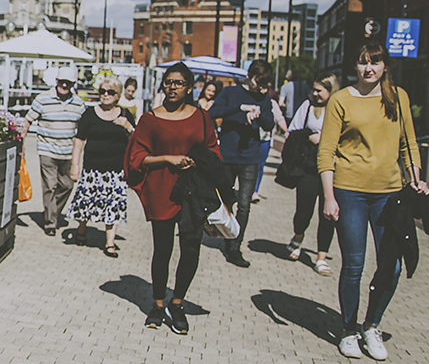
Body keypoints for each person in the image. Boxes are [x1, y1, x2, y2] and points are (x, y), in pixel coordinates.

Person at [318, 42, 426, 361]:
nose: (369, 68)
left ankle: (372, 325)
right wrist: (329, 196)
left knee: (391, 266)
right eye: (364, 62)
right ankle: (349, 329)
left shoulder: (398, 97)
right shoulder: (341, 100)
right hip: (349, 190)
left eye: (375, 63)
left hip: (389, 194)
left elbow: (409, 144)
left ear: (384, 67)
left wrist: (416, 178)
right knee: (354, 264)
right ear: (355, 65)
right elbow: (326, 151)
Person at [126, 63, 221, 334]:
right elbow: (136, 157)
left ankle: (176, 303)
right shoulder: (150, 119)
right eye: (168, 82)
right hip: (162, 190)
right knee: (162, 249)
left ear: (190, 88)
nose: (172, 86)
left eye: (178, 83)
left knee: (191, 247)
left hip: (194, 192)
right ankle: (157, 303)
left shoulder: (202, 117)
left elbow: (213, 150)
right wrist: (167, 158)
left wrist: (200, 162)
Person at [208, 60, 274, 268]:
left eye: (266, 84)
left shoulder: (263, 98)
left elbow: (270, 124)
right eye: (259, 82)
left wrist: (259, 114)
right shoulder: (231, 93)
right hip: (227, 155)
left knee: (244, 204)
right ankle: (223, 234)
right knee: (226, 200)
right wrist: (240, 108)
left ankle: (234, 246)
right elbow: (213, 113)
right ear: (250, 76)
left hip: (250, 158)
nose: (262, 87)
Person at [67, 73, 135, 256]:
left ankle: (109, 243)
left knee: (113, 205)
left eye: (110, 92)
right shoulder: (89, 114)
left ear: (118, 95)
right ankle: (81, 230)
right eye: (102, 91)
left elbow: (137, 140)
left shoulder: (125, 114)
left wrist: (127, 126)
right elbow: (79, 140)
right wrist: (75, 165)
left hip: (116, 171)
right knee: (86, 203)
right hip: (92, 169)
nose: (105, 94)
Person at [21, 65, 86, 235]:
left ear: (73, 84)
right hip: (47, 150)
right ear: (56, 81)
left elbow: (84, 129)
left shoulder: (79, 103)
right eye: (62, 82)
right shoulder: (42, 99)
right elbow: (27, 121)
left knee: (67, 185)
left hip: (68, 151)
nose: (65, 86)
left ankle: (51, 211)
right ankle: (50, 223)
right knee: (50, 186)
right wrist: (21, 143)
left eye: (68, 83)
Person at [286, 73, 339, 275]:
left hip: (334, 170)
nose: (314, 94)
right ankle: (298, 237)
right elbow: (292, 133)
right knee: (304, 210)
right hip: (309, 168)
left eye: (319, 90)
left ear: (330, 90)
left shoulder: (340, 110)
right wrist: (310, 137)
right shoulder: (308, 107)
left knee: (328, 214)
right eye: (313, 90)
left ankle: (321, 257)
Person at [253, 90, 288, 203]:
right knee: (250, 165)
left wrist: (286, 131)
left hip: (265, 139)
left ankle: (255, 190)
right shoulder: (251, 100)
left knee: (260, 165)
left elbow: (279, 118)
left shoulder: (272, 103)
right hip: (251, 139)